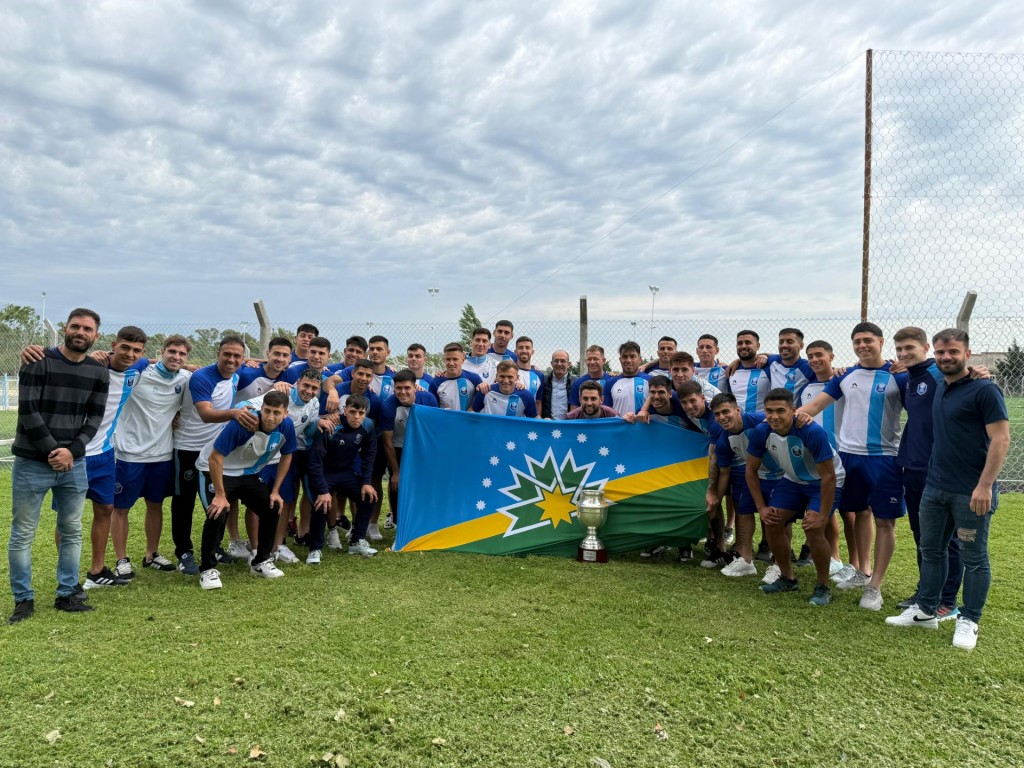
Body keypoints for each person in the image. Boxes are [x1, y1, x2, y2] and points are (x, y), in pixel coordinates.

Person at [885, 328, 1010, 650]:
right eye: (941, 352)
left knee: (974, 557)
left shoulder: (985, 390)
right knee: (931, 550)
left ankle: (969, 619)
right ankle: (926, 610)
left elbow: (1001, 439)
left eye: (953, 352)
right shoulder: (940, 385)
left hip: (970, 491)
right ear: (934, 354)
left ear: (967, 354)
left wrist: (985, 486)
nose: (946, 357)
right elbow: (909, 370)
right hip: (934, 486)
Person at [21, 325, 148, 587]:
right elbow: (65, 357)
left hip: (104, 454)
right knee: (68, 518)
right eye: (125, 347)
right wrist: (31, 350)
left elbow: (162, 361)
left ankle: (97, 571)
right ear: (113, 345)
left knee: (106, 509)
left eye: (136, 350)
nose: (130, 354)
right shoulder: (92, 365)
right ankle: (68, 577)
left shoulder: (137, 369)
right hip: (74, 452)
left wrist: (191, 366)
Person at [797, 322, 908, 612]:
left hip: (885, 457)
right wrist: (773, 420)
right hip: (848, 456)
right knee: (859, 513)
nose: (862, 345)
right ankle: (863, 571)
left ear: (881, 341)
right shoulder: (845, 376)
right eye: (857, 341)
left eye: (868, 340)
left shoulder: (898, 375)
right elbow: (814, 407)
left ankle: (875, 587)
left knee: (885, 521)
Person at [8, 308, 109, 623]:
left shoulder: (98, 372)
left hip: (74, 465)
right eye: (76, 326)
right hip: (32, 463)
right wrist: (55, 451)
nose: (80, 332)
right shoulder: (38, 361)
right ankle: (23, 599)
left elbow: (95, 417)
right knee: (22, 533)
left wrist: (72, 451)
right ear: (65, 328)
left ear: (96, 336)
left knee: (71, 530)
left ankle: (67, 593)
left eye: (87, 329)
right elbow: (28, 411)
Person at [746, 389, 844, 605]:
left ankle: (822, 587)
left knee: (814, 528)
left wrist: (823, 516)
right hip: (793, 479)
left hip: (823, 481)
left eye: (780, 410)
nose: (774, 416)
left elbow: (828, 477)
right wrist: (761, 507)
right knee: (772, 521)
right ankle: (788, 578)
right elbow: (750, 471)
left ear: (793, 410)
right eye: (769, 411)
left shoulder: (811, 431)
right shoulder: (762, 431)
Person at [891, 327, 964, 619]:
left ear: (924, 348)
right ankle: (926, 591)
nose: (903, 353)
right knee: (922, 534)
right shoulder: (909, 376)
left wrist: (977, 372)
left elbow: (964, 378)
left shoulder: (938, 373)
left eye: (909, 347)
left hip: (939, 469)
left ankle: (947, 599)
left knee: (947, 538)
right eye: (899, 349)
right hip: (913, 465)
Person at [195, 390, 296, 590]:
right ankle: (207, 569)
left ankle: (261, 561)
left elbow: (287, 456)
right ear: (261, 408)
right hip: (213, 469)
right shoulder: (244, 423)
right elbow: (215, 458)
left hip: (247, 472)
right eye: (267, 411)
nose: (270, 417)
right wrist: (220, 495)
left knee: (272, 506)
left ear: (285, 413)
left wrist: (275, 491)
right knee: (218, 511)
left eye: (276, 412)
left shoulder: (287, 426)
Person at [171, 335, 255, 576]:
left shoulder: (237, 374)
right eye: (227, 354)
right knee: (184, 502)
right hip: (188, 448)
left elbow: (266, 368)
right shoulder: (202, 377)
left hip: (215, 451)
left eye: (237, 356)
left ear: (243, 359)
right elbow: (206, 414)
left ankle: (215, 547)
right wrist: (234, 413)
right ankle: (184, 553)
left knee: (221, 499)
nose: (231, 360)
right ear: (218, 354)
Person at [111, 335, 193, 576]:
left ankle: (152, 554)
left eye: (182, 354)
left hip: (162, 454)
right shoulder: (139, 373)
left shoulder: (185, 378)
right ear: (162, 351)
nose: (176, 357)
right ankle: (121, 560)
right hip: (129, 454)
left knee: (156, 505)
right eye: (172, 351)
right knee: (121, 508)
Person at [706, 393, 783, 574]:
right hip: (753, 475)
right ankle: (746, 560)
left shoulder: (759, 420)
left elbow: (784, 421)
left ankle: (779, 565)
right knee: (744, 511)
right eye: (717, 414)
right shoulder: (723, 440)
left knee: (778, 519)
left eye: (726, 412)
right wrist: (716, 499)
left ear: (737, 410)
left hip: (780, 475)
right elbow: (724, 473)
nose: (722, 417)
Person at [797, 340, 850, 583]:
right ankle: (833, 558)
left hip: (843, 453)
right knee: (826, 509)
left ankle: (848, 561)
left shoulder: (844, 381)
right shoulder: (806, 389)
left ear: (832, 356)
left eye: (819, 354)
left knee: (848, 511)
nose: (815, 359)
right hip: (816, 458)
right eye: (810, 356)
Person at [306, 395, 380, 560]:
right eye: (352, 412)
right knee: (321, 503)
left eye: (361, 413)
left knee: (369, 497)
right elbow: (315, 462)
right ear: (344, 410)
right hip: (323, 473)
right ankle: (315, 549)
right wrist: (323, 490)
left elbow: (370, 455)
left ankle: (356, 541)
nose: (356, 417)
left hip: (345, 473)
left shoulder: (368, 426)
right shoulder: (331, 426)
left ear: (365, 414)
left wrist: (367, 482)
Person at [380, 370, 439, 532]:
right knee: (397, 484)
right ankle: (398, 525)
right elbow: (387, 442)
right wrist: (396, 472)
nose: (403, 392)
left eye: (407, 388)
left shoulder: (428, 399)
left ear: (415, 387)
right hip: (399, 447)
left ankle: (426, 523)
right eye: (398, 388)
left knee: (425, 485)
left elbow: (435, 430)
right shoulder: (388, 406)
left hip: (422, 448)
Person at [429, 343, 483, 411]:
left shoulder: (474, 379)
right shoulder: (435, 383)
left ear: (463, 360)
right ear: (444, 360)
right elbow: (433, 410)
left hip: (468, 418)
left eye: (455, 359)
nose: (451, 363)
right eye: (448, 359)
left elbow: (481, 402)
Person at [473, 361, 538, 417]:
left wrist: (544, 423)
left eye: (510, 377)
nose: (506, 381)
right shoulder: (485, 391)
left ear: (517, 378)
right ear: (496, 377)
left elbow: (534, 418)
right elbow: (473, 412)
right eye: (502, 376)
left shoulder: (526, 395)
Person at [727, 330, 770, 413]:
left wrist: (766, 355)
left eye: (748, 342)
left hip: (763, 418)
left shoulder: (769, 365)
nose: (743, 346)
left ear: (758, 346)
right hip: (738, 419)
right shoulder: (731, 369)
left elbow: (782, 356)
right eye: (740, 343)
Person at [765, 328, 815, 399]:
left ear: (801, 346)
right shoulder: (772, 361)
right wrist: (762, 356)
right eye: (781, 342)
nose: (784, 345)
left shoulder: (808, 367)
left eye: (789, 342)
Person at [603, 341, 650, 416]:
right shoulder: (610, 383)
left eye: (632, 356)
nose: (628, 360)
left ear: (640, 359)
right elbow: (606, 412)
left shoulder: (650, 381)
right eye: (624, 357)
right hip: (619, 424)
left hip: (643, 424)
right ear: (620, 359)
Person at [514, 336, 545, 415]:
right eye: (520, 348)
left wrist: (537, 421)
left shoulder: (539, 375)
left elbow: (538, 402)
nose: (524, 351)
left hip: (529, 420)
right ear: (515, 351)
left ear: (532, 352)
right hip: (511, 418)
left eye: (527, 348)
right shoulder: (508, 372)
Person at [540, 350, 575, 420]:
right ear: (551, 363)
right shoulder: (542, 381)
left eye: (563, 361)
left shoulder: (576, 383)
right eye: (556, 361)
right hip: (548, 424)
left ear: (568, 364)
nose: (559, 364)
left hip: (569, 424)